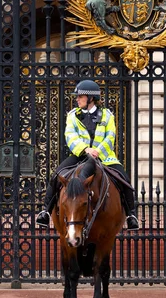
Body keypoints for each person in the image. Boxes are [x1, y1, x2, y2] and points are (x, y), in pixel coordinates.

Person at [35, 80, 140, 231]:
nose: (77, 99)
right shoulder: (72, 115)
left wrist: (98, 151)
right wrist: (85, 149)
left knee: (124, 180)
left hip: (104, 156)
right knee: (56, 175)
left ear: (91, 98)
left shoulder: (107, 115)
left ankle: (131, 215)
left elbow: (110, 136)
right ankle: (45, 211)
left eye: (80, 96)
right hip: (80, 155)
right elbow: (70, 136)